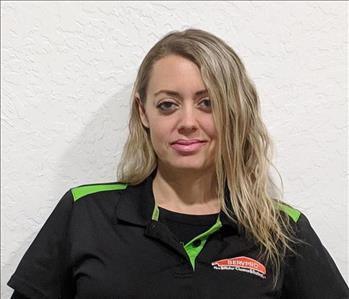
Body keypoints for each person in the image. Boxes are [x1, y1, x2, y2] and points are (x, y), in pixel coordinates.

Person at [8, 28, 349, 299]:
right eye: (168, 105)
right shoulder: (84, 212)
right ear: (144, 112)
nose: (187, 121)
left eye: (207, 103)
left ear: (234, 111)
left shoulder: (282, 230)